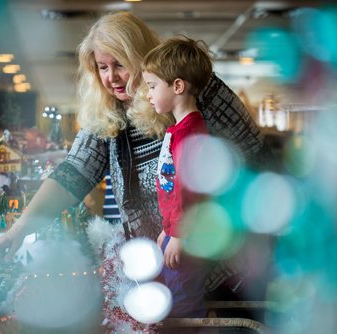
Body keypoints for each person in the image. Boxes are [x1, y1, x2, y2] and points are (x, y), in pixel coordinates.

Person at [0, 10, 270, 323]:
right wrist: (19, 230)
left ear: (139, 56)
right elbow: (72, 174)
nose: (111, 77)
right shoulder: (108, 114)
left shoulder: (191, 88)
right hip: (158, 270)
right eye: (102, 68)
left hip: (219, 268)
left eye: (119, 64)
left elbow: (258, 159)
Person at [140, 36, 212, 317]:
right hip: (178, 231)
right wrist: (167, 229)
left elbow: (190, 189)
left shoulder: (190, 133)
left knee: (183, 305)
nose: (148, 94)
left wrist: (179, 234)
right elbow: (171, 189)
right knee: (175, 297)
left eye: (152, 86)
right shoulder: (178, 130)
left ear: (178, 86)